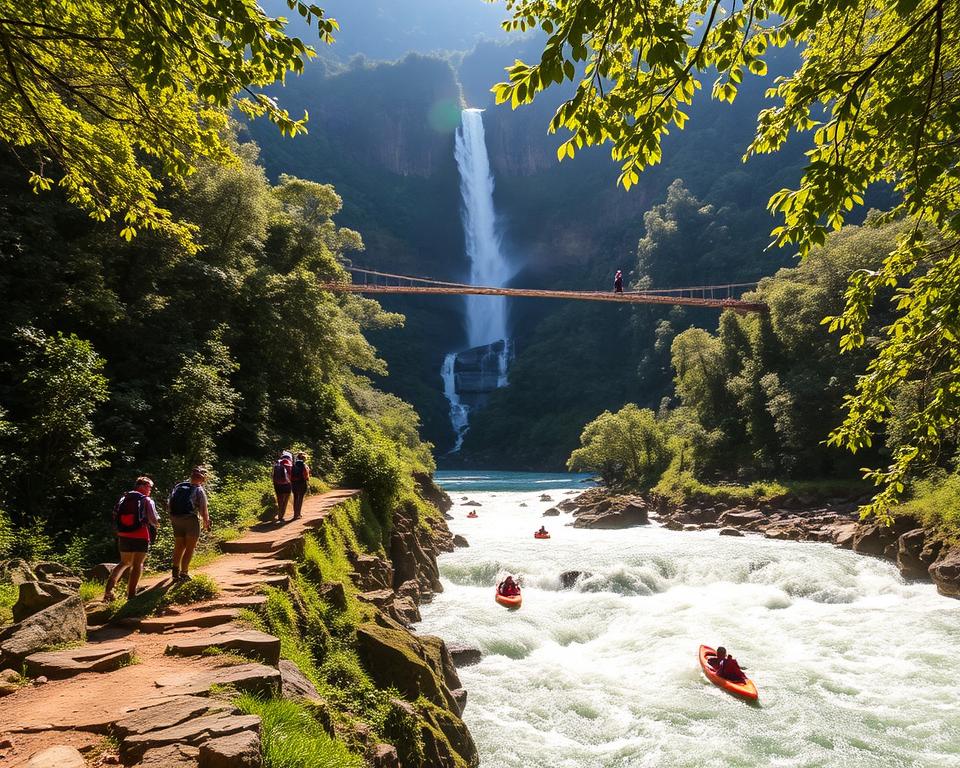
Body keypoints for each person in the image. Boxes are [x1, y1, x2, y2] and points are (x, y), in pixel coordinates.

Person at [104, 476, 160, 602]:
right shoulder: (146, 500)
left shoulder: (124, 498)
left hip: (123, 534)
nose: (150, 489)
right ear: (141, 486)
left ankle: (108, 592)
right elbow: (153, 519)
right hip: (140, 535)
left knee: (124, 562)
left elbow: (115, 515)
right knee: (137, 564)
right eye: (149, 487)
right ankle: (131, 594)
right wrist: (157, 525)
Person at [168, 467, 210, 582]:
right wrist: (206, 522)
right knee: (190, 547)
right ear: (202, 479)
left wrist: (172, 518)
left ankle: (175, 572)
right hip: (190, 520)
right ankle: (184, 573)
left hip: (176, 519)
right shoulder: (198, 489)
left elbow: (170, 504)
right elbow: (203, 509)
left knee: (179, 546)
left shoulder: (178, 487)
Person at [272, 451, 294, 521]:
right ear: (290, 457)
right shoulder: (289, 463)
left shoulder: (277, 463)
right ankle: (281, 516)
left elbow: (272, 475)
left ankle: (279, 515)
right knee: (285, 501)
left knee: (280, 500)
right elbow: (292, 476)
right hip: (287, 484)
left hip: (277, 484)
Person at [290, 451, 311, 520]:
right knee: (300, 498)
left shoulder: (293, 465)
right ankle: (298, 513)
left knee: (295, 498)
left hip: (294, 483)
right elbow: (306, 476)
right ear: (304, 459)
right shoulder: (304, 465)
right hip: (302, 483)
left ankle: (295, 514)